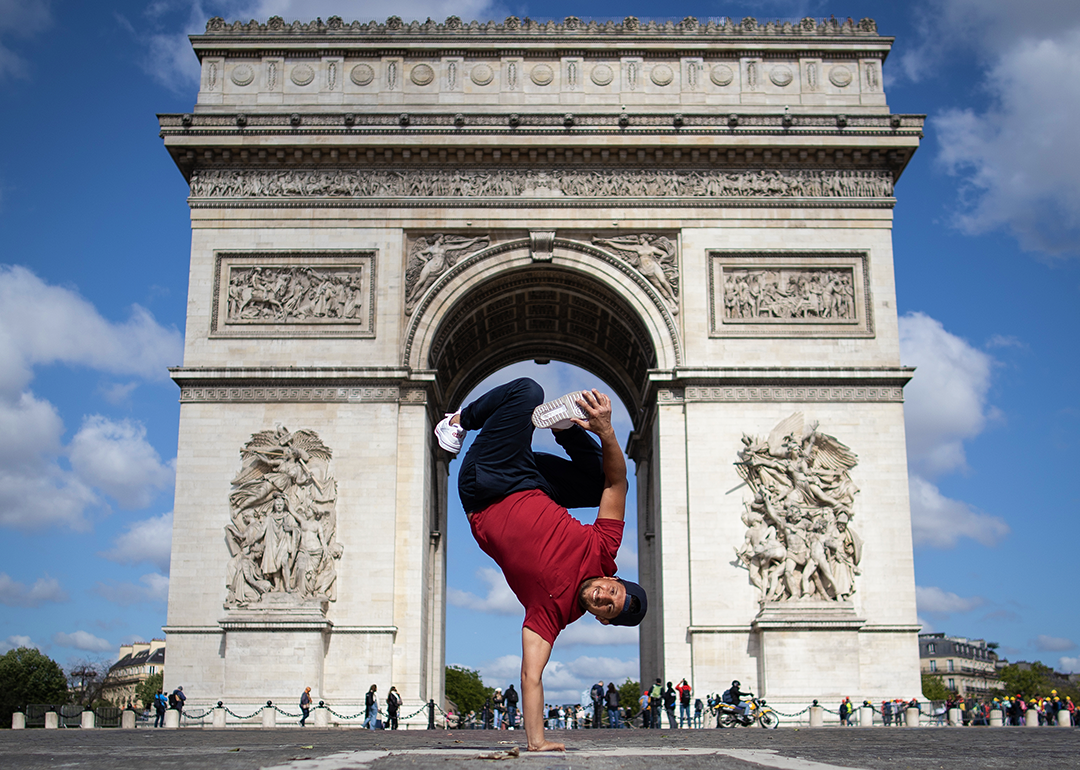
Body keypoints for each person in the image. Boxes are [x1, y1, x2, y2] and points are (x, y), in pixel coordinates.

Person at [434, 379, 647, 752]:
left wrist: (537, 741)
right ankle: (565, 430)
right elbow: (617, 485)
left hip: (487, 485)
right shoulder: (603, 549)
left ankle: (457, 422)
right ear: (612, 577)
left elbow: (531, 676)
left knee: (527, 392)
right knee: (600, 479)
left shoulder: (552, 615)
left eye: (606, 606)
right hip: (532, 480)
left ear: (602, 619)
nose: (601, 595)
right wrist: (607, 432)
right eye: (611, 590)